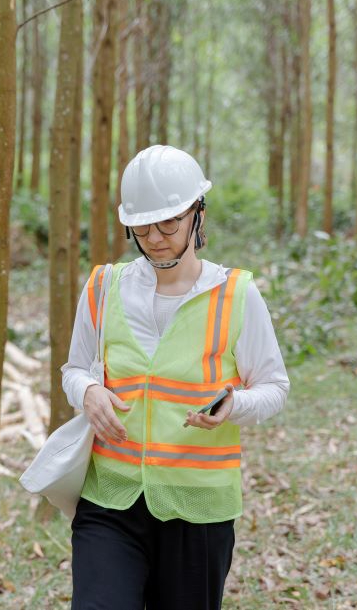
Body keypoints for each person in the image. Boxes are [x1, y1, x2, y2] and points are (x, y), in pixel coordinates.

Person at [62, 145, 290, 610]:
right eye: (143, 227)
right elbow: (74, 369)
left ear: (197, 215)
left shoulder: (236, 295)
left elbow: (275, 387)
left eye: (169, 223)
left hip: (198, 511)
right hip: (111, 501)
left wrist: (235, 404)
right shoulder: (104, 287)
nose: (156, 237)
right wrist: (87, 391)